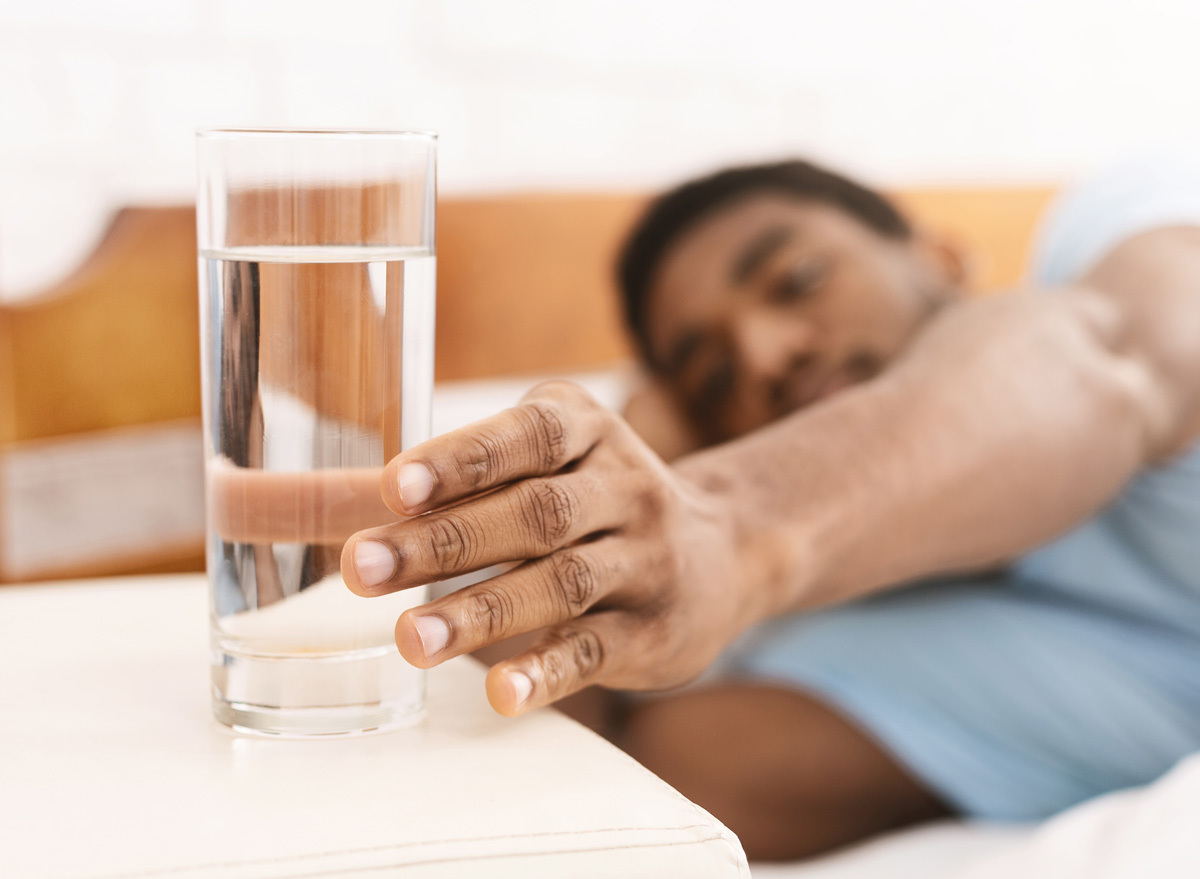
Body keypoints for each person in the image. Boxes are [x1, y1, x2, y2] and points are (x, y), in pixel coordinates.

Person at [340, 156, 1200, 861]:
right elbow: (606, 784)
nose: (763, 353)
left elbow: (1112, 357)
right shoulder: (873, 644)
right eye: (712, 376)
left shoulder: (1113, 231)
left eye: (799, 277)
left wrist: (729, 515)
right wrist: (652, 450)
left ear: (939, 257)